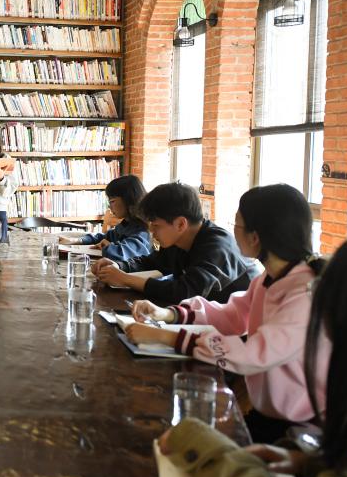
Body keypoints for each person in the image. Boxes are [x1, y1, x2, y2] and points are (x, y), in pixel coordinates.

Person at [157, 230, 347, 477]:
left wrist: (193, 439)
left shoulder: (298, 291)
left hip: (292, 419)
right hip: (298, 432)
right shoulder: (268, 280)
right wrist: (309, 462)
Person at [125, 184, 330, 442]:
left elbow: (255, 352)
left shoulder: (305, 292)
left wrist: (166, 337)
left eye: (237, 224)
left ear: (255, 237)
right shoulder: (269, 278)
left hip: (304, 430)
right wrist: (168, 315)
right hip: (270, 413)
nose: (233, 230)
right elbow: (232, 315)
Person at [92, 182, 257, 304]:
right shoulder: (178, 239)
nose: (151, 231)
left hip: (243, 328)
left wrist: (125, 279)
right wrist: (119, 266)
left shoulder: (217, 246)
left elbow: (184, 292)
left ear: (180, 224)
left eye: (156, 225)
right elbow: (151, 261)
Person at [72, 175, 151, 262]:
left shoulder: (142, 231)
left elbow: (122, 254)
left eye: (112, 201)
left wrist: (109, 246)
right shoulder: (126, 224)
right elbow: (105, 237)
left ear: (128, 200)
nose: (109, 206)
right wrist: (78, 240)